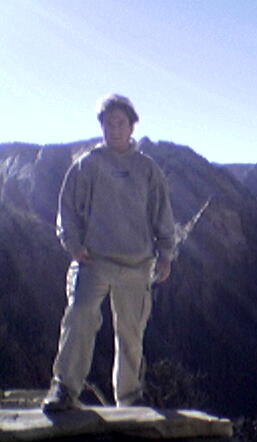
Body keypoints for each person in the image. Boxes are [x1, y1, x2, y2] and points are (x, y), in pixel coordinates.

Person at [41, 94, 175, 411]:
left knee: (131, 333)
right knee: (79, 320)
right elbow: (67, 210)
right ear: (102, 126)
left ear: (131, 126)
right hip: (94, 261)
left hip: (137, 264)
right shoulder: (87, 165)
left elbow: (162, 213)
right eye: (108, 123)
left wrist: (166, 252)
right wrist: (72, 244)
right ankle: (64, 389)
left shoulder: (147, 170)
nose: (114, 129)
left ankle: (129, 397)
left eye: (120, 123)